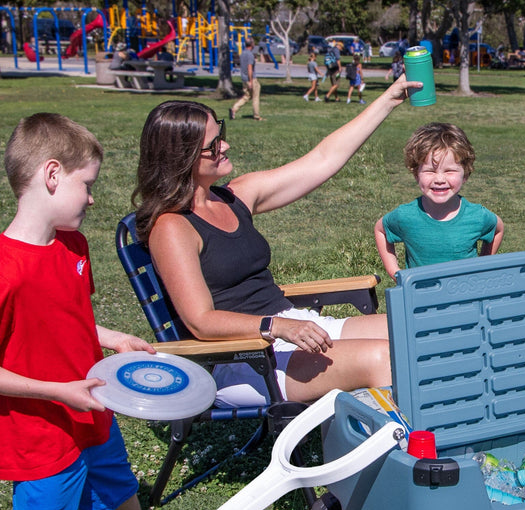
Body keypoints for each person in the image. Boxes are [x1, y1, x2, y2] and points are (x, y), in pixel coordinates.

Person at [0, 114, 204, 510]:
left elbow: (68, 325)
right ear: (51, 175)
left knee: (119, 489)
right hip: (41, 437)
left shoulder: (74, 247)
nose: (92, 198)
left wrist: (113, 339)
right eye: (87, 185)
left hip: (91, 410)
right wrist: (55, 391)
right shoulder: (6, 270)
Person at [133, 78, 418, 409]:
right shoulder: (172, 227)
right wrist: (277, 326)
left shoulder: (234, 196)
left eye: (220, 135)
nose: (224, 146)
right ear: (180, 159)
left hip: (290, 329)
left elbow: (323, 159)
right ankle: (408, 454)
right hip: (244, 359)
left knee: (416, 326)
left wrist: (389, 99)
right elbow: (201, 320)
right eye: (212, 146)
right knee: (381, 356)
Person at [374, 123, 504, 280]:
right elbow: (381, 230)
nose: (440, 180)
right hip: (420, 299)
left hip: (465, 297)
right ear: (416, 174)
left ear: (465, 175)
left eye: (449, 171)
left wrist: (483, 266)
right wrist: (395, 272)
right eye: (430, 171)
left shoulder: (477, 216)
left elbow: (497, 229)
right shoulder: (405, 216)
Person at [230, 39, 262, 121]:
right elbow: (250, 68)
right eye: (253, 42)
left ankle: (234, 109)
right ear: (251, 44)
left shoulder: (242, 54)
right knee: (255, 97)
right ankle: (257, 116)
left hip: (244, 79)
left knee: (247, 96)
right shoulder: (250, 55)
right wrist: (251, 81)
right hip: (251, 79)